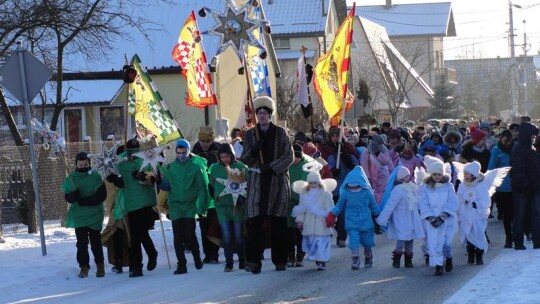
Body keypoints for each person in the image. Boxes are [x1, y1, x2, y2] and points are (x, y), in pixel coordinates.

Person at [240, 96, 294, 274]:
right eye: (259, 113)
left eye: (265, 113)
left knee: (278, 224)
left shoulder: (280, 133)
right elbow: (245, 159)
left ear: (270, 115)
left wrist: (270, 167)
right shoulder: (250, 134)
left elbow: (289, 156)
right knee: (255, 224)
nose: (262, 116)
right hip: (257, 185)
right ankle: (254, 261)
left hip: (276, 184)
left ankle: (280, 260)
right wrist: (254, 150)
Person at [106, 139, 159, 278]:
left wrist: (144, 177)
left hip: (146, 202)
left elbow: (154, 177)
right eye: (130, 153)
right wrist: (115, 179)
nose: (132, 156)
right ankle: (137, 265)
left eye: (135, 153)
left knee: (140, 233)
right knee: (136, 235)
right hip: (131, 204)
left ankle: (145, 258)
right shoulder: (121, 163)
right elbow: (121, 183)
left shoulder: (145, 161)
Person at [158, 139, 209, 274]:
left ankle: (197, 257)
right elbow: (165, 187)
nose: (181, 154)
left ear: (188, 151)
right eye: (178, 152)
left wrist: (202, 207)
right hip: (175, 205)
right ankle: (181, 264)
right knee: (177, 237)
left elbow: (202, 188)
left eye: (183, 152)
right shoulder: (170, 168)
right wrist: (161, 201)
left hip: (190, 205)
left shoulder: (195, 167)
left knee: (190, 235)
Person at [62, 152, 107, 278]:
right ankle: (84, 266)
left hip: (94, 215)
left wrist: (86, 201)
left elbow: (101, 195)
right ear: (76, 164)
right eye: (80, 164)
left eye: (85, 164)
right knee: (81, 243)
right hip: (79, 217)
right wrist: (73, 196)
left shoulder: (95, 177)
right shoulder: (72, 178)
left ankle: (100, 265)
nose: (82, 166)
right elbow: (67, 197)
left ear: (89, 164)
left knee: (95, 242)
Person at [326, 166, 379, 270]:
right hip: (351, 219)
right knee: (353, 239)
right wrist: (332, 214)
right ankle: (355, 258)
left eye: (355, 186)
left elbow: (373, 205)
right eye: (351, 186)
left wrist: (377, 214)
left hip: (365, 220)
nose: (353, 188)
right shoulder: (346, 192)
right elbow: (339, 205)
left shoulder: (367, 192)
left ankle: (368, 255)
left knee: (367, 240)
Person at [208, 143, 249, 272]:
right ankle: (229, 262)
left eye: (227, 156)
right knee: (226, 235)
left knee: (238, 234)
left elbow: (248, 183)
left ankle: (242, 259)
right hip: (222, 207)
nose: (224, 159)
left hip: (237, 207)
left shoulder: (241, 167)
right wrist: (216, 197)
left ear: (231, 156)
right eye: (222, 156)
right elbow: (211, 185)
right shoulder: (215, 169)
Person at [377, 166, 424, 268]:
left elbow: (419, 201)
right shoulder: (397, 190)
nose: (409, 177)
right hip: (402, 218)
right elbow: (390, 205)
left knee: (410, 239)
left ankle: (408, 260)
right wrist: (383, 218)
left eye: (408, 175)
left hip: (412, 219)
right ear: (401, 177)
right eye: (406, 176)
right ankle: (397, 259)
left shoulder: (412, 187)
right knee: (401, 239)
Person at [419, 156, 458, 275]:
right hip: (432, 220)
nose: (437, 177)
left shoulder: (448, 186)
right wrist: (430, 216)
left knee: (446, 242)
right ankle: (438, 265)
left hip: (446, 219)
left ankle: (448, 257)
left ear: (443, 174)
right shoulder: (426, 187)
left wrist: (444, 215)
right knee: (434, 242)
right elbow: (423, 202)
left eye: (439, 174)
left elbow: (453, 201)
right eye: (434, 174)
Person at [292, 169, 336, 270]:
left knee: (321, 242)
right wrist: (300, 221)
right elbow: (301, 209)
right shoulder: (304, 195)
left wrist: (332, 218)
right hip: (309, 223)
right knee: (312, 243)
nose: (312, 185)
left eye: (315, 182)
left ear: (319, 182)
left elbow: (330, 207)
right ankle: (317, 258)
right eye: (310, 183)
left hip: (322, 223)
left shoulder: (326, 194)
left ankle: (322, 260)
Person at [191, 126, 221, 264]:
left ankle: (214, 253)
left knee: (214, 223)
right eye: (202, 141)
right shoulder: (194, 153)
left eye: (207, 141)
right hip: (202, 193)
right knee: (203, 224)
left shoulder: (218, 150)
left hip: (215, 191)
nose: (205, 144)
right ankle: (207, 253)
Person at [455, 161, 495, 265]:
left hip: (477, 215)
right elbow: (458, 198)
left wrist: (476, 204)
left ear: (474, 174)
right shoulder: (462, 186)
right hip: (465, 214)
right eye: (464, 174)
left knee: (478, 233)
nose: (465, 176)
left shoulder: (481, 186)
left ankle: (479, 255)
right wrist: (462, 204)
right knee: (468, 233)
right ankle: (471, 254)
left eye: (467, 174)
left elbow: (485, 200)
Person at [510, 122, 540, 250]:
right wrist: (525, 185)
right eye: (532, 135)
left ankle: (537, 241)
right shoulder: (519, 149)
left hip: (534, 187)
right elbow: (518, 171)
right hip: (522, 190)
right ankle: (518, 242)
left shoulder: (531, 148)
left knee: (536, 215)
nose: (534, 138)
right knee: (520, 216)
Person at [488, 129, 514, 240]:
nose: (506, 143)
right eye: (504, 140)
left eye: (508, 141)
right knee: (506, 214)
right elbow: (491, 167)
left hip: (515, 185)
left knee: (515, 212)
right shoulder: (496, 150)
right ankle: (509, 236)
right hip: (502, 186)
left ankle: (518, 234)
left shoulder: (516, 148)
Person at [286, 144, 310, 267]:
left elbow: (307, 183)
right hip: (289, 201)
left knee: (300, 229)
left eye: (297, 157)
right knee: (289, 230)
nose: (295, 159)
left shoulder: (306, 167)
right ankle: (290, 255)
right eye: (293, 156)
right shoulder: (287, 166)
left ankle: (300, 254)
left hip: (301, 201)